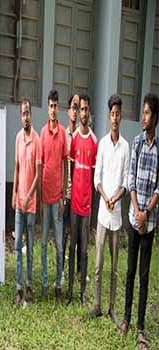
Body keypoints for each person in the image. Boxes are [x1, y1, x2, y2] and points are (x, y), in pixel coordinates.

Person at [118, 93, 159, 350]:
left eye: (146, 113)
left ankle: (140, 327)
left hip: (150, 222)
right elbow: (130, 179)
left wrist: (147, 213)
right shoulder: (137, 143)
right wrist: (136, 211)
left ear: (154, 117)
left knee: (144, 276)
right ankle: (126, 319)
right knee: (130, 272)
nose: (142, 117)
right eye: (142, 112)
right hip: (135, 220)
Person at [88, 94, 128, 324]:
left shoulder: (125, 147)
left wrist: (115, 197)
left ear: (121, 117)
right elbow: (97, 177)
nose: (114, 118)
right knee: (98, 264)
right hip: (103, 215)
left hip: (117, 217)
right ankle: (97, 305)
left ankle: (112, 307)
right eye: (111, 114)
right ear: (109, 115)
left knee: (113, 268)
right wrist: (105, 198)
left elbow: (125, 181)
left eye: (117, 114)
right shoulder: (102, 143)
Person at [67, 94, 97, 305]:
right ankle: (69, 291)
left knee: (84, 251)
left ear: (90, 114)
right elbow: (70, 170)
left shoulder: (94, 142)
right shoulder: (74, 138)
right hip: (74, 205)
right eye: (81, 109)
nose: (83, 113)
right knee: (72, 247)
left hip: (87, 207)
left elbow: (94, 178)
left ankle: (82, 294)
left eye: (86, 110)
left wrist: (91, 203)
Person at [39, 89, 68, 300]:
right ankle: (45, 283)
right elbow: (40, 166)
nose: (53, 109)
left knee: (59, 245)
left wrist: (64, 196)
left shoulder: (64, 133)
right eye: (50, 106)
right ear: (47, 108)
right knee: (42, 244)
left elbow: (66, 164)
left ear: (59, 108)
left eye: (56, 106)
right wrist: (40, 197)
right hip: (45, 198)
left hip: (58, 199)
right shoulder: (42, 133)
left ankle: (59, 284)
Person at [12, 99, 41, 305]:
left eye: (28, 113)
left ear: (31, 115)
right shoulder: (18, 138)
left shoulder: (37, 140)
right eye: (23, 113)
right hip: (19, 203)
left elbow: (38, 174)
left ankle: (30, 286)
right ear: (20, 116)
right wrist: (14, 193)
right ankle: (19, 288)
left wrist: (29, 196)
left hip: (30, 205)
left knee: (30, 245)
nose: (26, 117)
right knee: (17, 245)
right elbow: (16, 168)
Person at [63, 94, 80, 281]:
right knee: (64, 234)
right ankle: (61, 269)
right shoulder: (64, 136)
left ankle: (75, 270)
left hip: (79, 195)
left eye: (78, 108)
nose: (75, 111)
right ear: (68, 111)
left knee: (77, 235)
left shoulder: (83, 135)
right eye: (73, 108)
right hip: (66, 194)